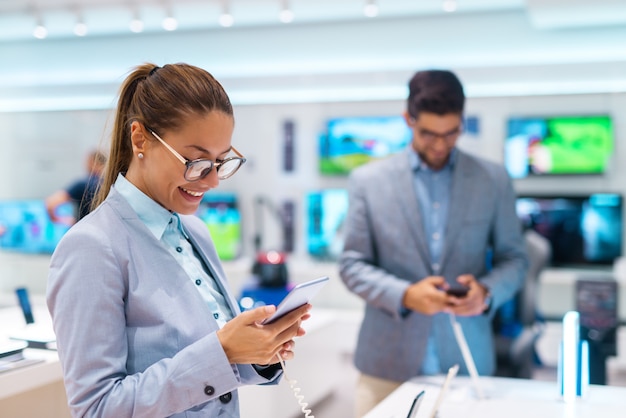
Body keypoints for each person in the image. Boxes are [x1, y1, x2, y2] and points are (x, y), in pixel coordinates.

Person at [47, 62, 311, 418]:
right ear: (139, 139)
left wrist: (260, 350)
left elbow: (216, 376)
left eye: (221, 162)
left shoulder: (196, 231)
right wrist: (223, 351)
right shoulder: (92, 247)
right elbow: (98, 408)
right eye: (196, 161)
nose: (212, 180)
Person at [338, 69, 528, 417]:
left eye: (451, 132)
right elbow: (352, 265)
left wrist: (485, 293)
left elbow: (514, 258)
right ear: (408, 120)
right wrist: (406, 295)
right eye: (428, 133)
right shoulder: (368, 181)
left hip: (467, 360)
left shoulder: (493, 179)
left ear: (462, 122)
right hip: (385, 365)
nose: (440, 144)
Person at [45, 149, 107, 224]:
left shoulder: (83, 184)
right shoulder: (111, 186)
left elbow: (50, 204)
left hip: (84, 232)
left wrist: (60, 219)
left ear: (91, 162)